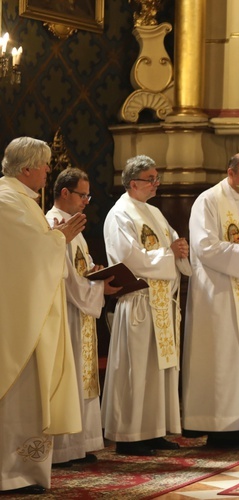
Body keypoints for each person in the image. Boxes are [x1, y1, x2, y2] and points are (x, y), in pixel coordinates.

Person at [0, 137, 85, 495]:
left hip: (34, 314)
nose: (49, 170)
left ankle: (25, 470)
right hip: (19, 319)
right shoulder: (7, 202)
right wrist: (59, 240)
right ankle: (12, 472)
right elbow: (29, 253)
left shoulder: (22, 201)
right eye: (46, 164)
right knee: (19, 393)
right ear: (27, 169)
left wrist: (55, 239)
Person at [182, 153, 239, 448]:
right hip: (218, 294)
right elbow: (203, 246)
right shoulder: (207, 201)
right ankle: (218, 427)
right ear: (230, 173)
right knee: (222, 358)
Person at [102, 155, 192, 456]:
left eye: (157, 178)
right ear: (132, 183)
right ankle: (130, 435)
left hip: (162, 303)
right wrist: (169, 253)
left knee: (157, 370)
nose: (156, 183)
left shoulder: (153, 211)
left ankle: (153, 431)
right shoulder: (120, 215)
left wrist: (179, 250)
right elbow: (129, 258)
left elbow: (173, 244)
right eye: (151, 179)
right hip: (138, 301)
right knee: (135, 370)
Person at [45, 168, 120, 468]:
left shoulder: (73, 226)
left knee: (83, 379)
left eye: (88, 195)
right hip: (66, 314)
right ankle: (64, 449)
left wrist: (97, 275)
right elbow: (65, 279)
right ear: (64, 193)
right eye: (82, 194)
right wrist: (98, 286)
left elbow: (80, 269)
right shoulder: (54, 225)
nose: (86, 201)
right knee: (69, 379)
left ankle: (80, 444)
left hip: (81, 312)